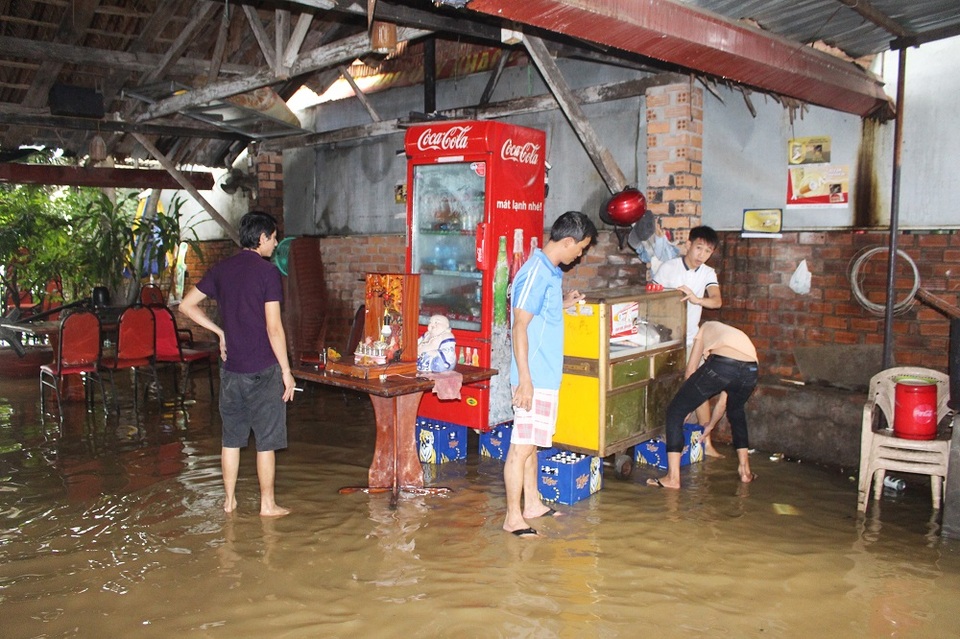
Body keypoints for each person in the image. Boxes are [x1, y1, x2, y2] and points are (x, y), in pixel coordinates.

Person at [179, 211, 296, 517]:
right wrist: (286, 371)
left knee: (231, 439)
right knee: (266, 442)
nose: (275, 243)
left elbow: (186, 306)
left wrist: (220, 332)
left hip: (231, 371)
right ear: (262, 239)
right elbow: (274, 328)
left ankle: (229, 501)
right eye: (273, 237)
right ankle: (267, 505)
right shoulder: (267, 273)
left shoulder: (222, 270)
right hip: (263, 369)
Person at [503, 211, 598, 538]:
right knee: (521, 447)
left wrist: (563, 304)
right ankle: (513, 517)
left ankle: (532, 504)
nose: (580, 254)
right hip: (533, 376)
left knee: (531, 445)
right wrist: (525, 380)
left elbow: (539, 312)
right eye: (581, 248)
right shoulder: (534, 273)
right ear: (568, 241)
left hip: (544, 374)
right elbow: (520, 326)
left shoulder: (550, 272)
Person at [647, 321, 759, 489]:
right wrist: (710, 426)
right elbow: (723, 403)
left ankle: (673, 478)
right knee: (736, 413)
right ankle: (745, 471)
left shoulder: (704, 328)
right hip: (751, 370)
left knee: (675, 412)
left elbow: (691, 370)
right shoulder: (733, 335)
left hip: (724, 364)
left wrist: (686, 405)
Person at [652, 225, 725, 457]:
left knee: (699, 388)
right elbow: (652, 299)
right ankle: (660, 437)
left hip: (691, 340)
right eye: (699, 248)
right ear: (688, 245)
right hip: (664, 338)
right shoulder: (668, 268)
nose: (701, 254)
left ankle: (707, 442)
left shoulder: (708, 274)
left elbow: (717, 301)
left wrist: (696, 298)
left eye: (707, 251)